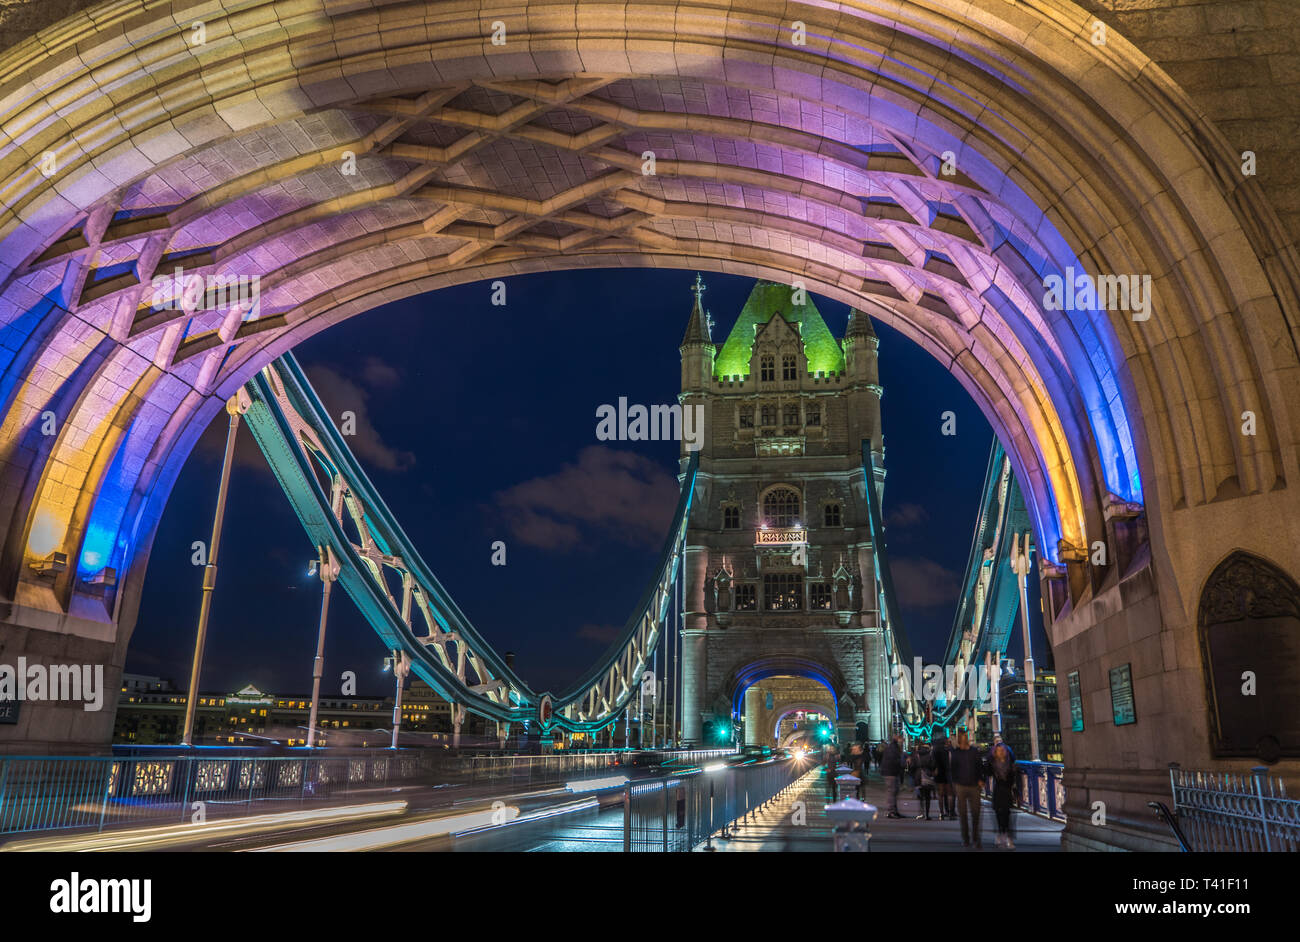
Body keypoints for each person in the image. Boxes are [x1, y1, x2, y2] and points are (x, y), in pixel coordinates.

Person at [949, 729, 986, 847]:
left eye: (964, 736)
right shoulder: (956, 753)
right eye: (961, 737)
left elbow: (980, 766)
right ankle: (966, 838)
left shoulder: (974, 752)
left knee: (976, 813)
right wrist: (954, 784)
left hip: (974, 785)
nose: (963, 739)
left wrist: (981, 780)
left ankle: (975, 838)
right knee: (963, 814)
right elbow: (952, 769)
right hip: (960, 785)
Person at [990, 740, 1020, 849]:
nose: (1001, 752)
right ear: (995, 752)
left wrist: (1017, 793)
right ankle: (1001, 833)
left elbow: (1015, 780)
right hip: (998, 790)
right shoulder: (992, 765)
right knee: (998, 813)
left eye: (1002, 750)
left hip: (1007, 791)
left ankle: (1007, 836)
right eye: (998, 751)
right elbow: (986, 771)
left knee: (1006, 814)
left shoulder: (1011, 766)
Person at [908, 740, 937, 819]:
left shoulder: (916, 755)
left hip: (918, 776)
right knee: (928, 797)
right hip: (927, 776)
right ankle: (927, 814)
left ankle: (921, 813)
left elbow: (912, 766)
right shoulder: (930, 755)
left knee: (920, 796)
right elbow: (933, 765)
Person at [879, 734, 904, 818]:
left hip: (892, 772)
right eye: (902, 740)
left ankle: (894, 810)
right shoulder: (893, 748)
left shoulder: (893, 747)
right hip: (890, 773)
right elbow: (894, 760)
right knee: (892, 792)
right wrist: (901, 762)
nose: (903, 741)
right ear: (897, 739)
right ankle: (891, 811)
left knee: (894, 792)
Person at [933, 734, 955, 820]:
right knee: (950, 794)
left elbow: (933, 762)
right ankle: (950, 813)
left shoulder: (935, 750)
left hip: (939, 773)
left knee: (940, 795)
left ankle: (941, 813)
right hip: (948, 773)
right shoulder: (948, 750)